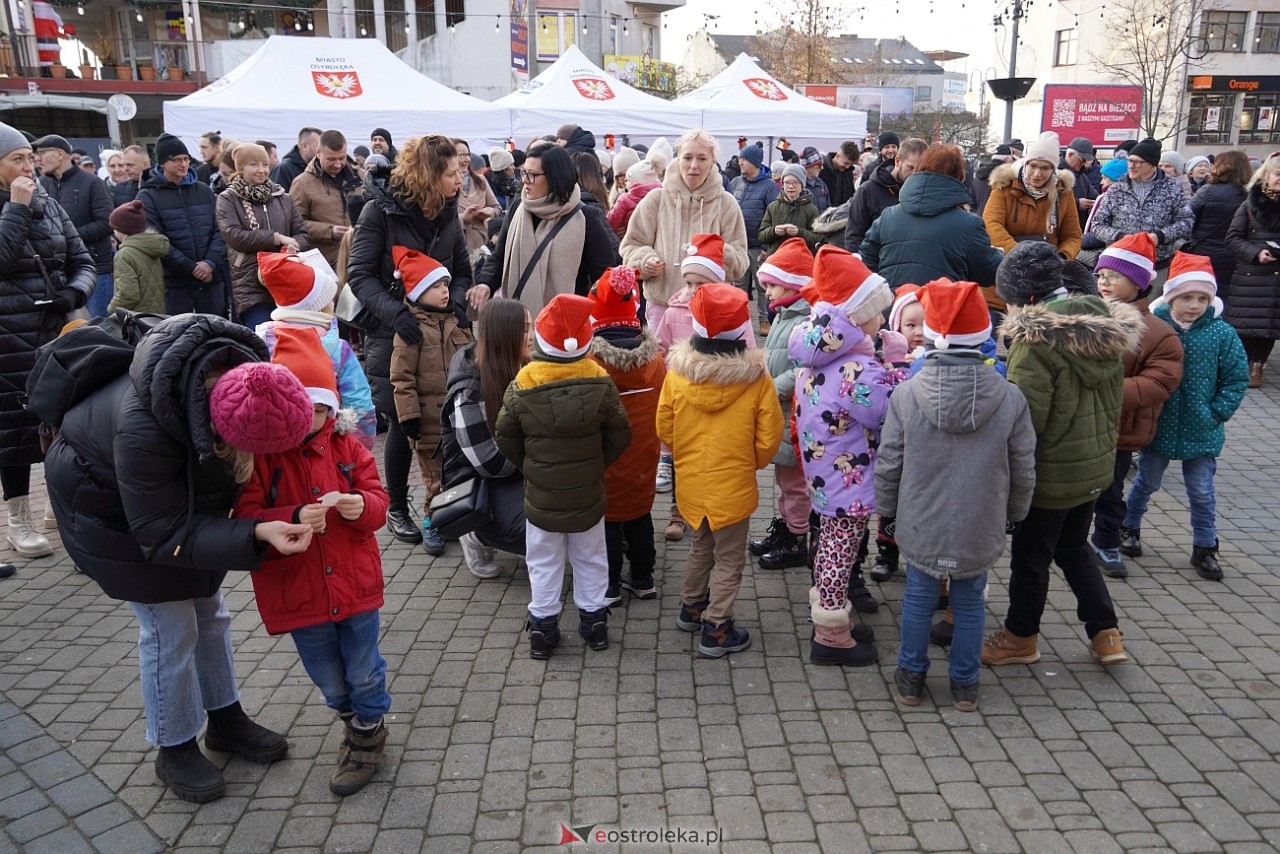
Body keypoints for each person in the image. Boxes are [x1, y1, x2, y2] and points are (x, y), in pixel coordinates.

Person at [39, 315, 316, 803]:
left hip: (165, 503)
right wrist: (253, 533)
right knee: (170, 627)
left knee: (210, 611)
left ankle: (224, 718)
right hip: (108, 513)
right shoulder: (144, 427)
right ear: (218, 428)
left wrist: (267, 519)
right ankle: (173, 745)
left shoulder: (244, 383)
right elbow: (162, 532)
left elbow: (214, 495)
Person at [235, 327, 392, 796]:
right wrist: (292, 516)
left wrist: (361, 506)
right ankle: (351, 718)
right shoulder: (261, 458)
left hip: (354, 584)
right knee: (328, 675)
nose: (308, 420)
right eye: (298, 410)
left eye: (319, 409)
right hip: (299, 589)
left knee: (364, 669)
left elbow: (378, 501)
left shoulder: (347, 446)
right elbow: (246, 518)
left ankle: (368, 733)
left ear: (330, 407)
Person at [877, 279, 1036, 712]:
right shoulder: (1010, 397)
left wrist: (887, 514)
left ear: (931, 337)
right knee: (969, 600)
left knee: (919, 596)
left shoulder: (906, 395)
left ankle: (911, 679)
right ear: (984, 336)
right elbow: (1023, 467)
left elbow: (889, 462)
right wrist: (1014, 513)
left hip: (920, 518)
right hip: (980, 518)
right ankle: (965, 684)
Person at [982, 242, 1143, 668]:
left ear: (1024, 296)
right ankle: (1105, 633)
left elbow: (1026, 421)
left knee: (1031, 560)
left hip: (1051, 473)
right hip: (1093, 466)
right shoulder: (1101, 327)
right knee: (1074, 549)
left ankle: (1020, 636)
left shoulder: (1035, 343)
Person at [349, 135, 473, 545]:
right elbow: (360, 275)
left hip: (443, 336)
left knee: (447, 421)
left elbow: (462, 271)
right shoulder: (379, 212)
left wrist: (451, 306)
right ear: (429, 174)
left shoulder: (449, 212)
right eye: (453, 172)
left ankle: (446, 504)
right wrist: (397, 313)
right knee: (403, 423)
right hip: (394, 334)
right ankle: (397, 507)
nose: (460, 179)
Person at [495, 295, 631, 659]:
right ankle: (594, 623)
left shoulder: (523, 384)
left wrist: (532, 467)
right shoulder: (600, 382)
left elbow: (505, 436)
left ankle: (542, 629)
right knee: (591, 558)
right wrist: (594, 464)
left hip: (542, 499)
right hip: (588, 496)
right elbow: (621, 433)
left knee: (543, 561)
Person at [660, 284, 782, 658]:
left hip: (693, 481)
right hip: (733, 483)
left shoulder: (678, 374)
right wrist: (754, 462)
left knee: (701, 544)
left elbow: (664, 425)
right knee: (729, 557)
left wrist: (683, 455)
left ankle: (692, 607)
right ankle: (717, 627)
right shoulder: (757, 378)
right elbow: (770, 433)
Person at [790, 247, 896, 665]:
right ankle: (831, 634)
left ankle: (833, 615)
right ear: (855, 316)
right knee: (840, 549)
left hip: (823, 474)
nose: (882, 320)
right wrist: (899, 374)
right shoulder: (856, 368)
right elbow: (882, 412)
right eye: (876, 312)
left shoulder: (821, 355)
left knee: (829, 544)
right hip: (848, 481)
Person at [0, 123, 95, 557]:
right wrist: (16, 208)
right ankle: (17, 517)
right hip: (8, 334)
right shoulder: (20, 204)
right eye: (16, 159)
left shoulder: (50, 204)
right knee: (15, 428)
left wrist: (75, 291)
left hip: (56, 328)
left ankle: (61, 505)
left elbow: (82, 259)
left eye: (29, 157)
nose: (28, 166)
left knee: (64, 420)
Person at [1123, 252, 1248, 580]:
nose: (1194, 305)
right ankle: (1129, 528)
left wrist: (1217, 412)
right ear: (1172, 296)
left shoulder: (1222, 334)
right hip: (1160, 424)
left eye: (1202, 298)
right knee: (1146, 481)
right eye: (1187, 297)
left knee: (1202, 490)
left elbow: (1236, 377)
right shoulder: (1156, 327)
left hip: (1201, 427)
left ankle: (1205, 546)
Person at [1088, 234, 1184, 578]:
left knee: (1110, 492)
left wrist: (1103, 391)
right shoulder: (1085, 317)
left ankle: (1107, 541)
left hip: (1119, 427)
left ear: (1141, 282)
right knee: (1074, 488)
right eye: (1101, 275)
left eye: (1115, 276)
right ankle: (1069, 539)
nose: (1105, 282)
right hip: (1080, 426)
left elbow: (1160, 381)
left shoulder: (1158, 332)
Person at [587, 266, 665, 604]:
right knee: (639, 514)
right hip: (644, 454)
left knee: (607, 521)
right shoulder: (656, 362)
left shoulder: (590, 363)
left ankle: (611, 585)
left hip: (604, 455)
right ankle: (644, 577)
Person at [620, 130, 749, 332]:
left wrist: (714, 254)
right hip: (662, 307)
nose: (694, 165)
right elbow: (631, 246)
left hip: (711, 311)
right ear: (678, 158)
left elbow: (740, 261)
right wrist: (645, 261)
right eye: (687, 157)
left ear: (712, 161)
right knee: (662, 362)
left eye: (702, 158)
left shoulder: (726, 204)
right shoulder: (656, 199)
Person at [389, 248, 473, 555]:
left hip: (460, 417)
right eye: (436, 286)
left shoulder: (457, 321)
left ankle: (461, 519)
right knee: (435, 478)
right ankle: (433, 522)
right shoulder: (410, 330)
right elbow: (401, 378)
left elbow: (473, 364)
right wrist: (408, 417)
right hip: (428, 421)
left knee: (463, 471)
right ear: (418, 291)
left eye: (446, 285)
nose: (444, 291)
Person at [440, 299, 531, 577]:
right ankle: (477, 534)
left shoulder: (519, 365)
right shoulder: (469, 390)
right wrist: (542, 455)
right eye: (526, 329)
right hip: (478, 481)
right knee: (536, 527)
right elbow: (489, 464)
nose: (534, 336)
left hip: (516, 463)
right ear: (505, 334)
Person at [476, 141, 616, 316]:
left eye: (532, 174)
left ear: (555, 177)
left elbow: (604, 278)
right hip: (518, 321)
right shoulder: (518, 209)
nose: (525, 180)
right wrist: (485, 283)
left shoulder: (587, 217)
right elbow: (499, 256)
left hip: (567, 328)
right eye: (524, 172)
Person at [254, 250, 376, 449]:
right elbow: (359, 405)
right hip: (326, 447)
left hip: (276, 447)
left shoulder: (262, 340)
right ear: (321, 305)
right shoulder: (337, 348)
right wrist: (358, 451)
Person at [750, 239, 815, 571]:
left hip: (795, 415)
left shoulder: (805, 320)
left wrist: (774, 387)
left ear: (792, 285)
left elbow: (805, 368)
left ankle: (796, 538)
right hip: (781, 412)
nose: (767, 292)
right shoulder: (783, 315)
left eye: (772, 284)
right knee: (783, 480)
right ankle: (786, 527)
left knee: (794, 484)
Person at [860, 144, 1004, 290]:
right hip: (942, 308)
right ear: (959, 176)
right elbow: (988, 272)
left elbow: (866, 261)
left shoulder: (887, 217)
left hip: (895, 308)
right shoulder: (969, 225)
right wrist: (998, 255)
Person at [216, 143, 310, 328]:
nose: (262, 170)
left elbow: (302, 233)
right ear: (240, 168)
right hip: (250, 281)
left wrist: (294, 246)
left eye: (265, 164)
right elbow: (234, 235)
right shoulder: (228, 198)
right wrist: (275, 238)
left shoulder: (283, 197)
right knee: (261, 336)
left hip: (285, 277)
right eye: (254, 165)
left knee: (287, 339)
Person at [137, 134, 228, 316]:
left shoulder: (203, 191)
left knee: (217, 335)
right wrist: (191, 268)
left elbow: (221, 230)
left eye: (186, 159)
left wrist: (210, 262)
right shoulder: (148, 196)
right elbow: (155, 239)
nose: (183, 164)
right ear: (162, 163)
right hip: (175, 283)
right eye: (176, 160)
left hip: (211, 279)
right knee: (179, 338)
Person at [1085, 137, 1194, 284]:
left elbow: (1186, 221)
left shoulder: (1172, 187)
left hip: (1156, 266)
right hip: (1119, 263)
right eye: (1130, 160)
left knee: (1149, 307)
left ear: (1152, 165)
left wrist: (1160, 237)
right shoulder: (1117, 188)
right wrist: (1121, 237)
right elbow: (1097, 225)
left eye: (1138, 162)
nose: (1131, 165)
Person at [34, 134, 114, 317]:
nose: (37, 159)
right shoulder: (43, 185)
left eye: (43, 153)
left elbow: (107, 222)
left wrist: (70, 237)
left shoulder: (92, 182)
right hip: (60, 272)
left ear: (60, 154)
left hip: (96, 268)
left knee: (99, 325)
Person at [1224, 154, 1280, 388]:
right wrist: (1255, 253)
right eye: (1278, 175)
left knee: (1270, 327)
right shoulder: (1249, 204)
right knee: (1247, 326)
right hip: (1252, 275)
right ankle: (1245, 364)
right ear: (1266, 176)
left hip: (1277, 278)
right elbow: (1233, 237)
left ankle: (1258, 365)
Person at [984, 131, 1083, 261]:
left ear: (1053, 170)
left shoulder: (1063, 192)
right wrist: (1020, 255)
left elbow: (1072, 235)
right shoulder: (1004, 186)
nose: (1037, 174)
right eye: (1033, 166)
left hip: (1048, 265)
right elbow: (991, 224)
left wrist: (1061, 257)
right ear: (1026, 163)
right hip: (1008, 261)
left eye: (1045, 168)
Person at [289, 130, 362, 269]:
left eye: (342, 158)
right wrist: (329, 231)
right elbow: (295, 224)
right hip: (325, 264)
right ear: (318, 153)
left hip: (359, 259)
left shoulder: (360, 177)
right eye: (331, 159)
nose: (338, 164)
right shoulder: (302, 183)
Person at [844, 137, 927, 252]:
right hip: (873, 264)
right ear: (897, 161)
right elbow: (854, 238)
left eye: (920, 170)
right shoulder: (868, 191)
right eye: (911, 168)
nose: (914, 174)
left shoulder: (924, 193)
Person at [1188, 150, 1251, 300]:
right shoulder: (1251, 194)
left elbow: (1187, 218)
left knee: (1204, 295)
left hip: (1204, 254)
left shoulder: (1208, 191)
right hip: (1238, 254)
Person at [729, 143, 780, 314]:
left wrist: (767, 247)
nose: (740, 161)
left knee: (762, 285)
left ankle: (764, 319)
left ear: (755, 162)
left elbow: (774, 217)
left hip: (759, 245)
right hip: (738, 244)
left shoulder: (769, 186)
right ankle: (739, 318)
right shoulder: (735, 182)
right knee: (738, 284)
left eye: (744, 158)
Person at [107, 199, 169, 314]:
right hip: (156, 314)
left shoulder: (124, 255)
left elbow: (128, 294)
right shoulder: (150, 247)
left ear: (123, 230)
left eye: (115, 228)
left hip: (135, 318)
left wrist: (112, 309)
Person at [759, 164, 820, 258]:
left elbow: (817, 238)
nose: (791, 186)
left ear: (802, 184)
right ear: (782, 184)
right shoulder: (773, 207)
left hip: (800, 260)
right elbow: (762, 235)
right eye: (787, 183)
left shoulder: (811, 209)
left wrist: (799, 232)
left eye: (795, 182)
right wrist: (774, 231)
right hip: (776, 259)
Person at [453, 140, 500, 254]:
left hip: (482, 244)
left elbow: (497, 208)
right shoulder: (445, 184)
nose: (467, 159)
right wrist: (463, 218)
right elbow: (439, 220)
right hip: (458, 246)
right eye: (461, 155)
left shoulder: (480, 180)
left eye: (468, 154)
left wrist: (489, 212)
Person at [606, 158, 660, 239]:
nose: (624, 181)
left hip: (631, 242)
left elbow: (611, 222)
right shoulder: (661, 192)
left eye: (627, 178)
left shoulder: (625, 198)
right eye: (620, 176)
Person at [271, 127, 321, 192]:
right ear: (304, 146)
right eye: (318, 147)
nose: (321, 151)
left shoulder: (320, 168)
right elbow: (277, 198)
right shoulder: (284, 169)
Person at [819, 141, 859, 209]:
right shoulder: (821, 170)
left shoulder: (848, 172)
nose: (847, 167)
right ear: (837, 156)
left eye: (850, 164)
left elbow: (851, 194)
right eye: (846, 163)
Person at [799, 147, 830, 213]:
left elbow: (828, 207)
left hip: (820, 223)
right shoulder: (797, 185)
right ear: (808, 166)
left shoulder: (821, 184)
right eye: (819, 165)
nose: (822, 168)